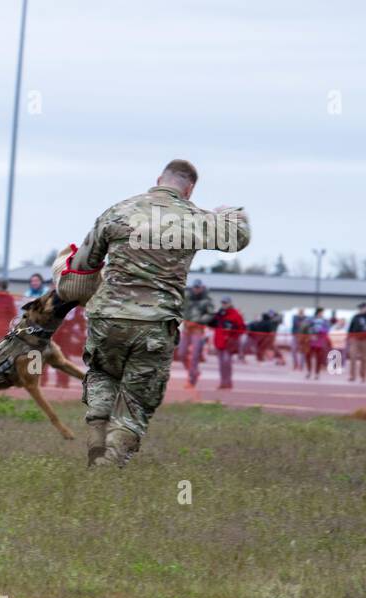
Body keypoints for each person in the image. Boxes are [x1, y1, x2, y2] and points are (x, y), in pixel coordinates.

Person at [70, 159, 250, 466]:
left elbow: (82, 265)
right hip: (154, 323)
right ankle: (107, 464)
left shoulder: (118, 210)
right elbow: (239, 238)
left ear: (158, 179)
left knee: (102, 375)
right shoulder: (196, 218)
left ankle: (97, 439)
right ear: (189, 189)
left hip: (107, 318)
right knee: (137, 399)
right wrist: (231, 213)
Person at [179, 279, 214, 386]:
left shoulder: (207, 300)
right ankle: (193, 371)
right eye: (195, 287)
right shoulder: (187, 298)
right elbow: (180, 310)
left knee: (194, 356)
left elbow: (210, 314)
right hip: (186, 329)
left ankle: (192, 379)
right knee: (181, 353)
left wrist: (198, 321)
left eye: (198, 287)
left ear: (202, 288)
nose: (196, 289)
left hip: (197, 330)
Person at [208, 297, 244, 389]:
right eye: (223, 303)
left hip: (229, 342)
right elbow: (211, 324)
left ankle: (228, 382)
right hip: (219, 342)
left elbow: (242, 328)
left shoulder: (235, 314)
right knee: (221, 364)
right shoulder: (219, 314)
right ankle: (223, 382)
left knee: (226, 362)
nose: (224, 304)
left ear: (230, 303)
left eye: (226, 303)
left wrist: (233, 332)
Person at [305, 307, 331, 379]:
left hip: (320, 341)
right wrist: (311, 332)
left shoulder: (325, 321)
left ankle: (317, 373)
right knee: (308, 356)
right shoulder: (311, 319)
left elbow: (327, 329)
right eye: (321, 312)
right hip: (311, 340)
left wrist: (321, 330)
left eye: (322, 312)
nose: (322, 314)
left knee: (319, 357)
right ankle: (309, 371)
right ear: (318, 312)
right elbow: (306, 327)